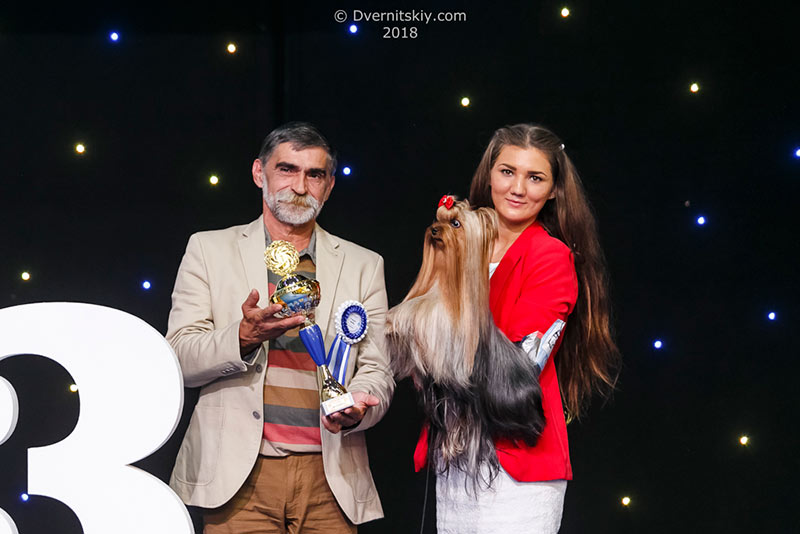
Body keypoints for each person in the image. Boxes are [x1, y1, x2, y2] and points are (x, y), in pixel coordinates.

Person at [167, 122, 394, 533]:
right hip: (238, 478)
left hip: (332, 477)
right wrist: (242, 338)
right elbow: (179, 357)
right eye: (287, 169)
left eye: (315, 174)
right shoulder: (208, 248)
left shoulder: (364, 264)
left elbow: (377, 368)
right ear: (260, 173)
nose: (300, 186)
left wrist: (358, 408)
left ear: (329, 186)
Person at [419, 123, 620, 533]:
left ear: (554, 190)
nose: (518, 189)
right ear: (489, 174)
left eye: (535, 178)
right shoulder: (459, 242)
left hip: (516, 462)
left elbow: (518, 364)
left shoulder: (551, 256)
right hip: (455, 457)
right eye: (507, 172)